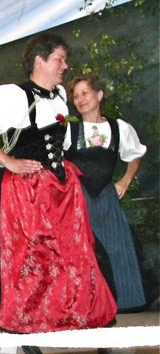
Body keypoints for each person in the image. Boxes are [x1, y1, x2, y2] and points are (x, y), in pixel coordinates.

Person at [0, 32, 118, 354]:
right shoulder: (14, 96)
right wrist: (9, 162)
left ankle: (40, 329)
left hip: (57, 195)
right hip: (25, 197)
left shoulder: (59, 95)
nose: (65, 66)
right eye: (60, 59)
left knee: (69, 264)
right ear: (40, 61)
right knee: (25, 270)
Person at [66, 75, 157, 312]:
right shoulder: (68, 130)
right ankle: (86, 304)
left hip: (106, 196)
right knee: (81, 251)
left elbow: (135, 155)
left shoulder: (119, 128)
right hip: (78, 198)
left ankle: (125, 301)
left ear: (99, 95)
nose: (80, 99)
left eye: (85, 93)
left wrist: (125, 181)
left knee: (117, 247)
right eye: (75, 96)